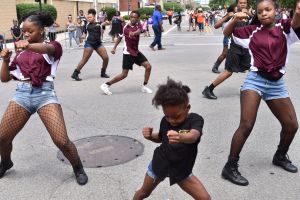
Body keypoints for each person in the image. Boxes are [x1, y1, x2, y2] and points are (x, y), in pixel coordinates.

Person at [0, 11, 88, 185]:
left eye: (29, 31)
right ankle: (6, 162)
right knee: (2, 138)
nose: (25, 34)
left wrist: (27, 46)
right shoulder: (19, 53)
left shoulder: (53, 45)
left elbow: (46, 49)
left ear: (41, 30)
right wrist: (5, 60)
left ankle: (78, 167)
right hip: (22, 94)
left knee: (62, 141)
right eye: (23, 31)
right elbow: (4, 78)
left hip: (45, 95)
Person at [221, 0, 300, 186]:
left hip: (277, 84)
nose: (264, 13)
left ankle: (280, 156)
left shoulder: (285, 27)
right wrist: (234, 19)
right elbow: (227, 33)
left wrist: (297, 11)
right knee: (246, 125)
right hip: (255, 80)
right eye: (260, 11)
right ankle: (230, 166)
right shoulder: (251, 31)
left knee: (292, 125)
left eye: (268, 9)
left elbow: (296, 23)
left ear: (276, 11)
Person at [133, 78, 211, 200]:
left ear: (187, 108)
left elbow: (193, 136)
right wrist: (150, 136)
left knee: (205, 198)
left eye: (176, 116)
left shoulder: (195, 120)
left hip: (181, 168)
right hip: (160, 163)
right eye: (167, 116)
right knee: (143, 192)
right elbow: (160, 138)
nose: (171, 120)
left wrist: (180, 136)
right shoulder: (165, 121)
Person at [202, 0, 252, 99]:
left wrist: (249, 14)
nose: (242, 4)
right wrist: (230, 17)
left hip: (246, 48)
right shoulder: (233, 15)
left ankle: (245, 88)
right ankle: (209, 89)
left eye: (244, 3)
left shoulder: (249, 16)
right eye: (240, 2)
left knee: (252, 69)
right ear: (236, 4)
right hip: (234, 47)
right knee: (228, 72)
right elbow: (218, 27)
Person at [100, 11, 152, 95]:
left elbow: (139, 31)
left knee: (148, 66)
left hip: (136, 51)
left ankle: (144, 86)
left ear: (138, 18)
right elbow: (120, 38)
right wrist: (114, 47)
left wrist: (134, 33)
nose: (132, 18)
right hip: (128, 53)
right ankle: (106, 85)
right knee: (124, 74)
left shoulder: (138, 24)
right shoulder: (125, 27)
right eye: (131, 17)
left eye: (134, 17)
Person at [71, 9, 110, 81]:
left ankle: (103, 72)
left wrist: (107, 22)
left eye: (90, 17)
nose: (89, 19)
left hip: (98, 44)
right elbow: (85, 33)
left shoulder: (99, 23)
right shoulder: (86, 25)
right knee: (85, 59)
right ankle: (75, 73)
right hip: (89, 43)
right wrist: (83, 36)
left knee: (106, 58)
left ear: (94, 17)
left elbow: (105, 23)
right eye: (88, 17)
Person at [211, 4, 236, 73]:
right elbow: (216, 26)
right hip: (228, 37)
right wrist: (227, 16)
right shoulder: (230, 15)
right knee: (225, 53)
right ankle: (215, 67)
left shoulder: (240, 14)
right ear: (233, 9)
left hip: (237, 37)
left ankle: (232, 66)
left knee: (238, 52)